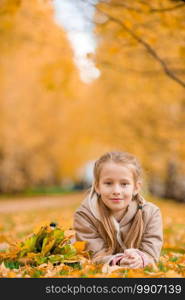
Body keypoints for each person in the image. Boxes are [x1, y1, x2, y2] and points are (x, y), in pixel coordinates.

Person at [73, 151, 163, 268]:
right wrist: (118, 260)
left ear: (136, 188)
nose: (116, 191)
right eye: (108, 183)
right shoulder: (85, 215)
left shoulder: (151, 214)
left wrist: (140, 259)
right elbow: (93, 255)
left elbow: (151, 253)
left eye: (124, 184)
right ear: (97, 187)